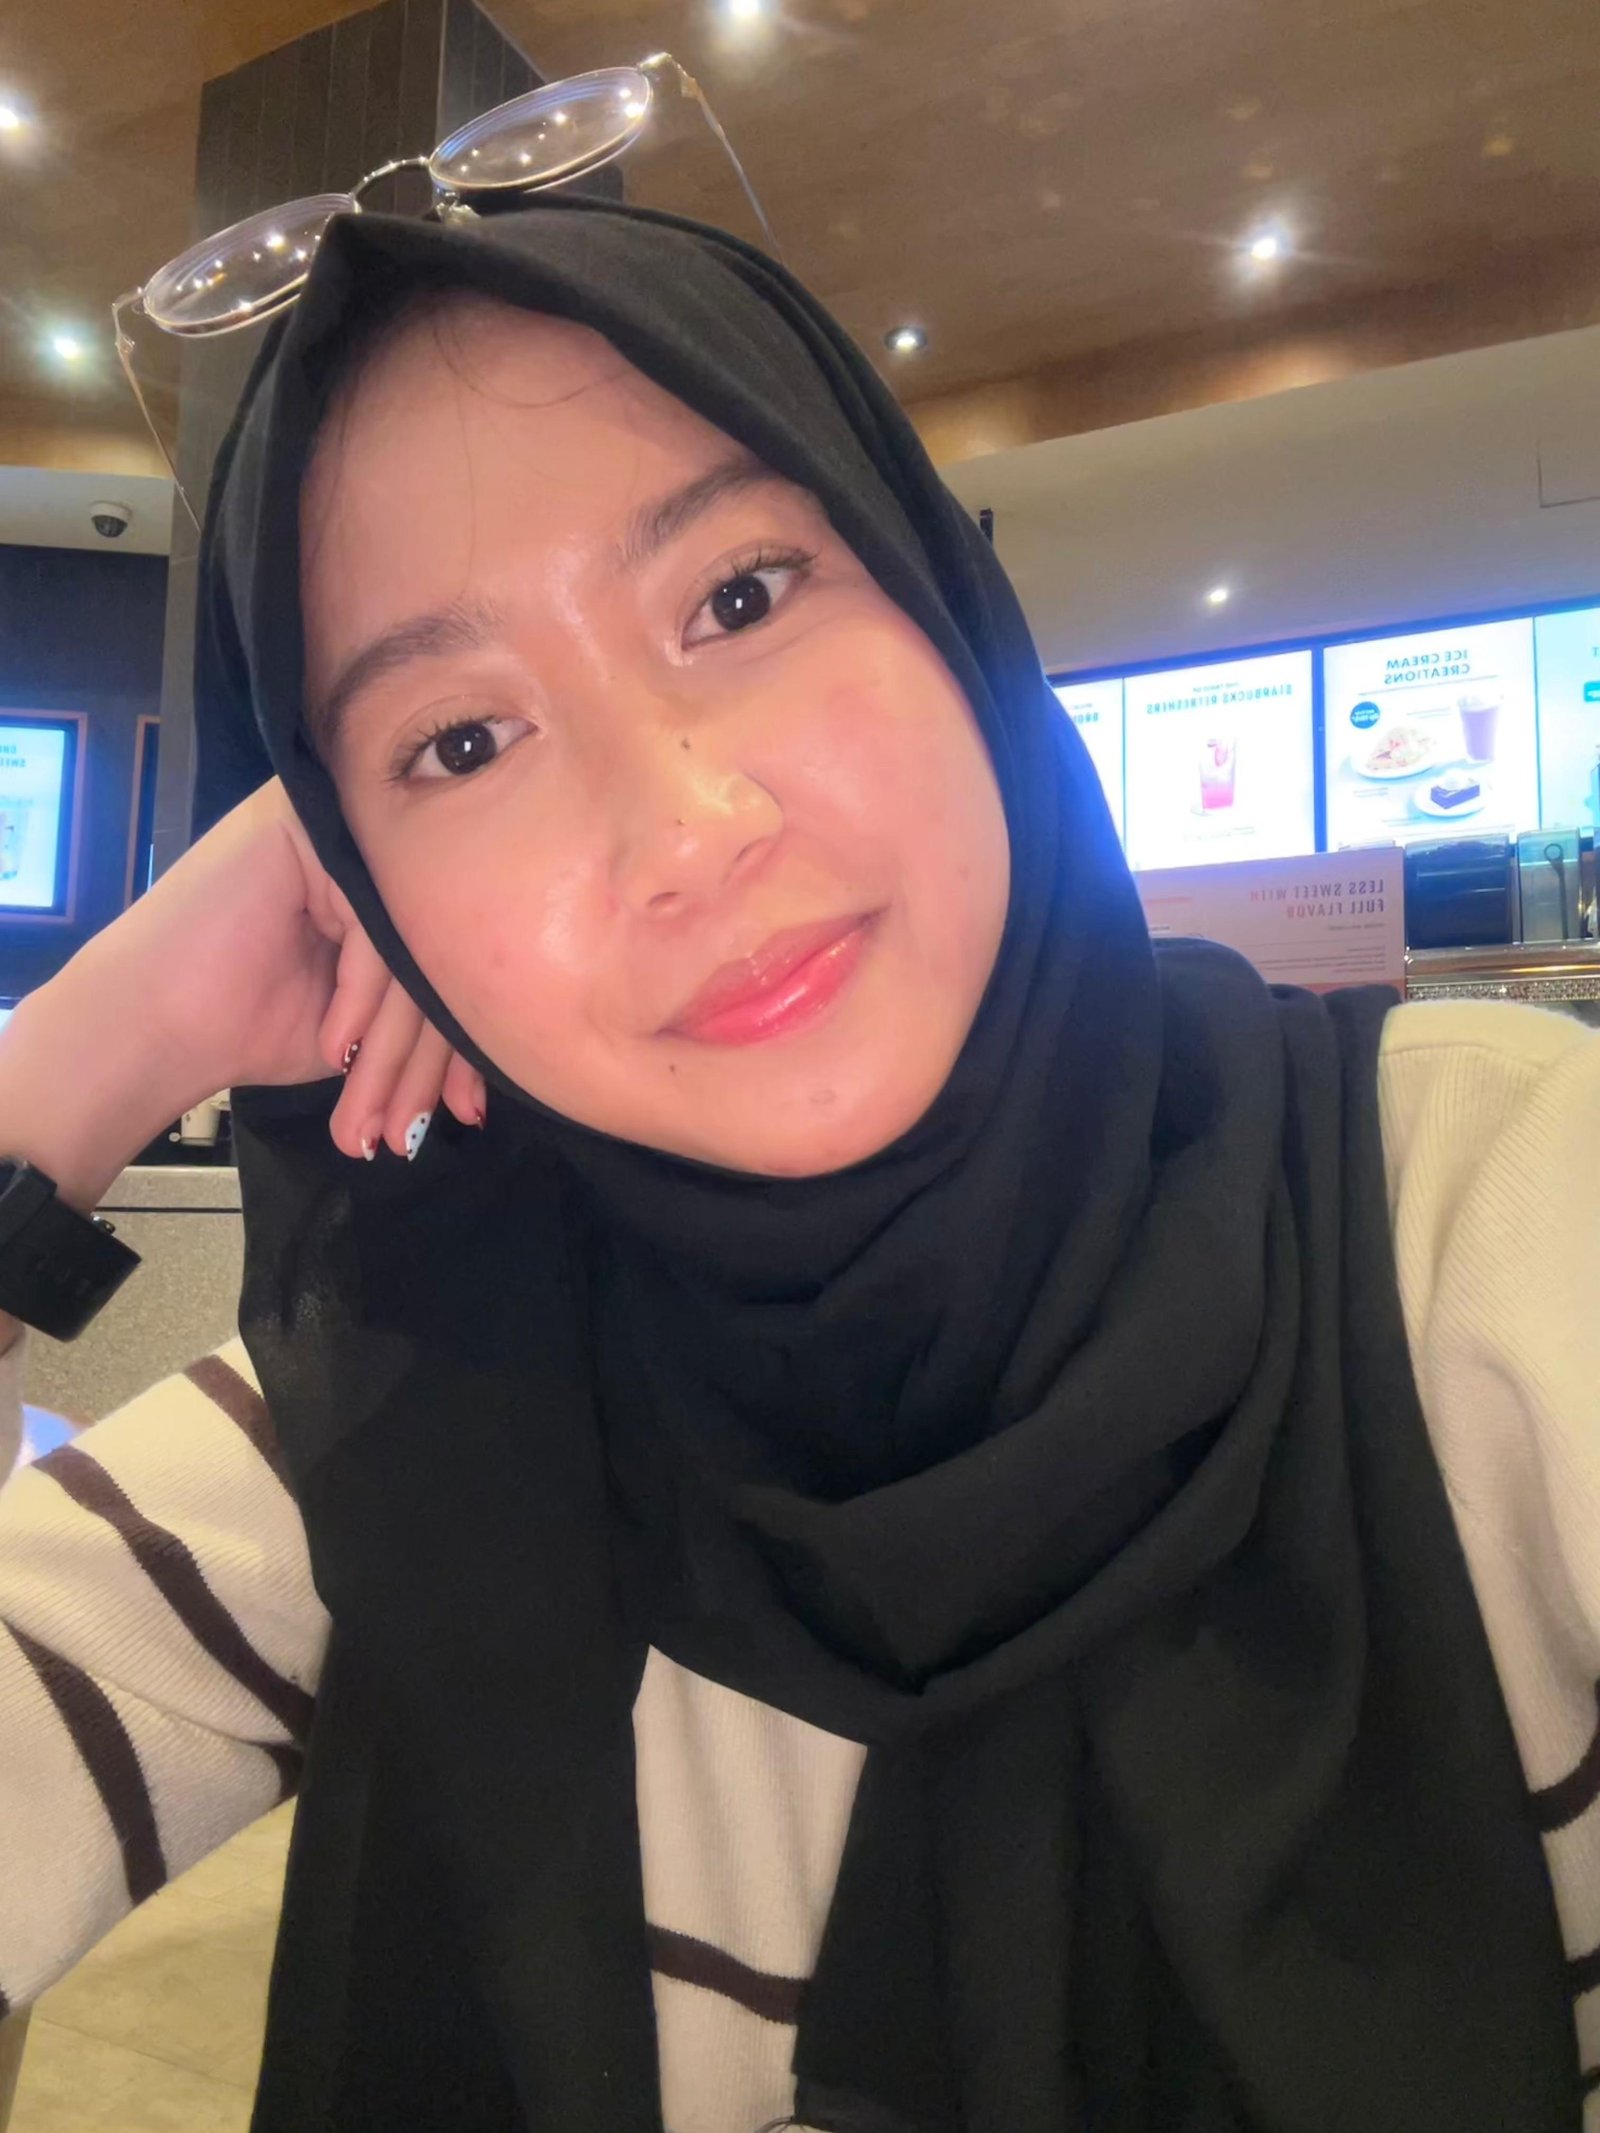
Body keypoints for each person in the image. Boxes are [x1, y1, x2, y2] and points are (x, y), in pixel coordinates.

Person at [1, 197, 1598, 2133]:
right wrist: (88, 1048)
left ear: (933, 594)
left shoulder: (1494, 1224)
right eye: (461, 742)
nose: (684, 828)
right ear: (361, 879)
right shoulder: (402, 1413)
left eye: (741, 596)